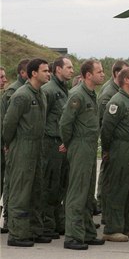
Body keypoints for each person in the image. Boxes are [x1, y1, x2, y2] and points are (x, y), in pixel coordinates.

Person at [59, 59, 106, 250]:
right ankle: (72, 236)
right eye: (99, 71)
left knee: (87, 193)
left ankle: (86, 232)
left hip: (89, 146)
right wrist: (70, 143)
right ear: (88, 75)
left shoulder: (91, 94)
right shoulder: (77, 95)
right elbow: (65, 124)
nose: (103, 74)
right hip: (79, 145)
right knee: (77, 192)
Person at [3, 58, 50, 247]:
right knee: (21, 191)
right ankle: (17, 233)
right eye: (45, 71)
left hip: (37, 147)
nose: (49, 73)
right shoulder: (21, 95)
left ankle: (33, 230)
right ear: (33, 73)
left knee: (36, 190)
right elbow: (8, 124)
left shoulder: (41, 94)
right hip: (22, 147)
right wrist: (10, 144)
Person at [100, 67, 129, 242]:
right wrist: (108, 150)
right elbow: (106, 130)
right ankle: (112, 229)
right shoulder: (117, 102)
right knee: (117, 189)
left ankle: (127, 226)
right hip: (121, 149)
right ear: (126, 80)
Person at [40, 56, 74, 238]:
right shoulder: (49, 90)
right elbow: (42, 118)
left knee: (60, 184)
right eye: (68, 67)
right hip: (50, 143)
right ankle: (46, 224)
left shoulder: (64, 90)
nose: (72, 70)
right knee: (49, 184)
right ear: (58, 69)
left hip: (61, 144)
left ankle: (56, 222)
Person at [97, 60, 129, 217]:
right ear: (118, 74)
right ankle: (103, 205)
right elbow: (106, 123)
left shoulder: (120, 92)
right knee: (108, 176)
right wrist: (106, 147)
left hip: (121, 144)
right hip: (115, 142)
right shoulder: (109, 94)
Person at [1, 59, 29, 233]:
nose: (4, 80)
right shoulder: (14, 92)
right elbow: (8, 121)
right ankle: (9, 219)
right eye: (1, 77)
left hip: (6, 143)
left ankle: (9, 219)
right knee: (10, 183)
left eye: (4, 77)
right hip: (8, 144)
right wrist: (7, 142)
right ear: (23, 73)